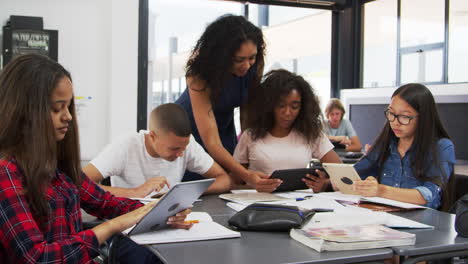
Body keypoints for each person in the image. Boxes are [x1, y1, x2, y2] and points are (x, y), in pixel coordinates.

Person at [0, 54, 191, 264]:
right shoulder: (6, 172)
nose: (68, 117)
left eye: (68, 106)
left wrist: (160, 210)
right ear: (24, 111)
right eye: (57, 108)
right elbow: (36, 258)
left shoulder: (55, 165)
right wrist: (111, 226)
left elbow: (103, 201)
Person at [176, 14, 280, 191]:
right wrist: (246, 175)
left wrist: (247, 160)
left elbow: (247, 119)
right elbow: (211, 142)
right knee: (198, 190)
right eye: (239, 59)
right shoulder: (199, 74)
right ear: (221, 55)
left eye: (251, 58)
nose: (246, 65)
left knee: (230, 186)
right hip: (190, 132)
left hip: (224, 129)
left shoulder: (253, 67)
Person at [83, 103, 234, 198]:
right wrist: (135, 193)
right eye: (174, 148)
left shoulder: (187, 144)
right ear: (153, 136)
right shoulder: (126, 145)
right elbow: (79, 183)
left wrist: (183, 192)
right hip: (127, 218)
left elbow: (224, 180)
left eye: (183, 148)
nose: (181, 154)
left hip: (168, 218)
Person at [234, 69, 342, 193]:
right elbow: (235, 181)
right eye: (281, 105)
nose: (287, 112)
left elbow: (343, 174)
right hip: (257, 202)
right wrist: (254, 183)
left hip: (297, 202)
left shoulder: (311, 133)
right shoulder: (250, 135)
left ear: (302, 108)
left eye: (294, 107)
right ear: (269, 105)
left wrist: (325, 184)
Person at [353, 83, 456, 209]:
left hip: (423, 221)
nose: (395, 122)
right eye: (391, 114)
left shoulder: (442, 147)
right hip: (383, 216)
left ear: (423, 117)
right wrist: (334, 181)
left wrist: (381, 190)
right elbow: (355, 173)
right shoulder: (386, 144)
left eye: (404, 116)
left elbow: (427, 194)